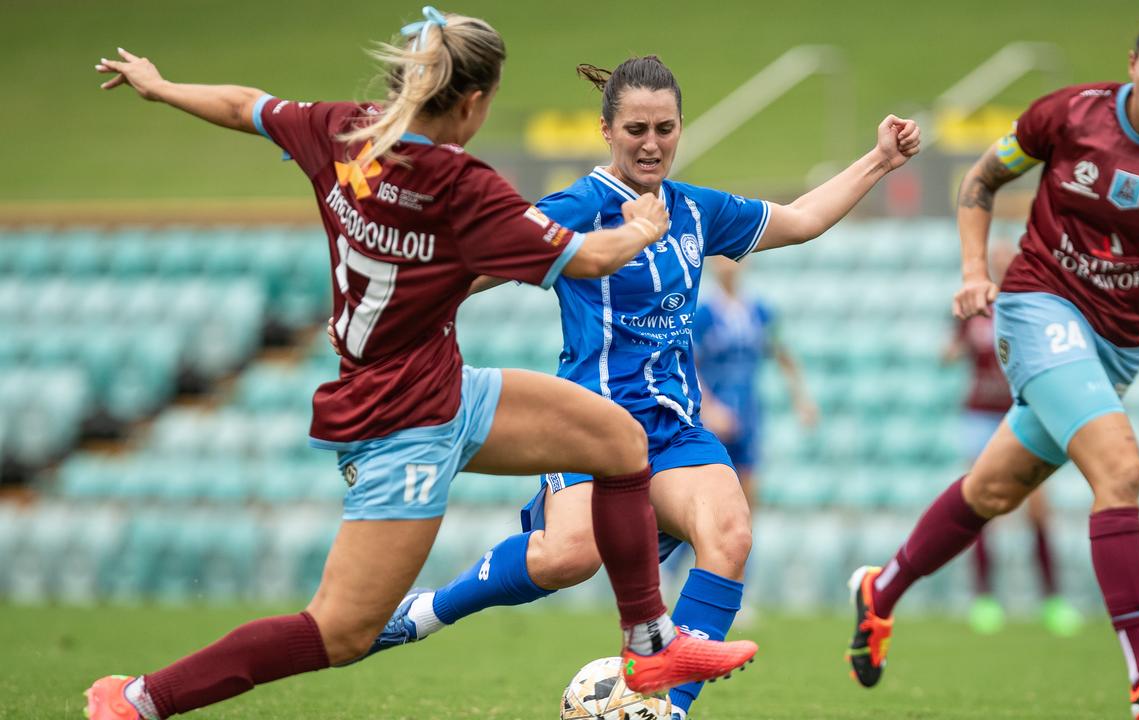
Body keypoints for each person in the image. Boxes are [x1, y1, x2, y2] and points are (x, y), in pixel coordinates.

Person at [83, 9, 758, 719]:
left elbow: (243, 105)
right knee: (338, 631)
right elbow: (588, 256)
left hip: (445, 386)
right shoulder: (464, 190)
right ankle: (140, 699)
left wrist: (161, 87)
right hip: (404, 419)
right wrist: (644, 228)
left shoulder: (344, 129)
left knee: (619, 442)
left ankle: (651, 646)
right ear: (470, 102)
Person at [350, 55, 918, 720]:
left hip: (674, 430)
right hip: (589, 428)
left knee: (729, 533)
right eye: (637, 129)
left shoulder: (697, 210)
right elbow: (474, 269)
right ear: (607, 131)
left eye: (665, 128)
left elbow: (802, 219)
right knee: (569, 556)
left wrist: (879, 160)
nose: (652, 143)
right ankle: (424, 614)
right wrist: (394, 319)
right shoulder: (579, 207)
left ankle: (665, 708)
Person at [845, 3, 1139, 718]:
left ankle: (879, 595)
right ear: (1131, 64)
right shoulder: (1068, 115)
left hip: (1119, 341)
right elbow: (980, 181)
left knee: (993, 493)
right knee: (1120, 468)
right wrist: (975, 271)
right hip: (1039, 307)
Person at [941, 243, 1081, 637]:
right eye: (997, 262)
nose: (1002, 267)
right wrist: (950, 350)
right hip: (980, 415)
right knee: (981, 505)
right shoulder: (975, 306)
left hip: (1020, 412)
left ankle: (1053, 600)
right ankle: (984, 599)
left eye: (1008, 261)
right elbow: (953, 348)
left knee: (1037, 509)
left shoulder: (1032, 307)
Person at [695, 255, 819, 508]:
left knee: (749, 489)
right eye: (721, 256)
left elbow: (782, 354)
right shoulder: (703, 313)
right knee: (710, 492)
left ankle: (747, 546)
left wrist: (801, 400)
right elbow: (687, 364)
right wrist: (708, 408)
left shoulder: (759, 310)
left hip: (748, 410)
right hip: (714, 415)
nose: (729, 263)